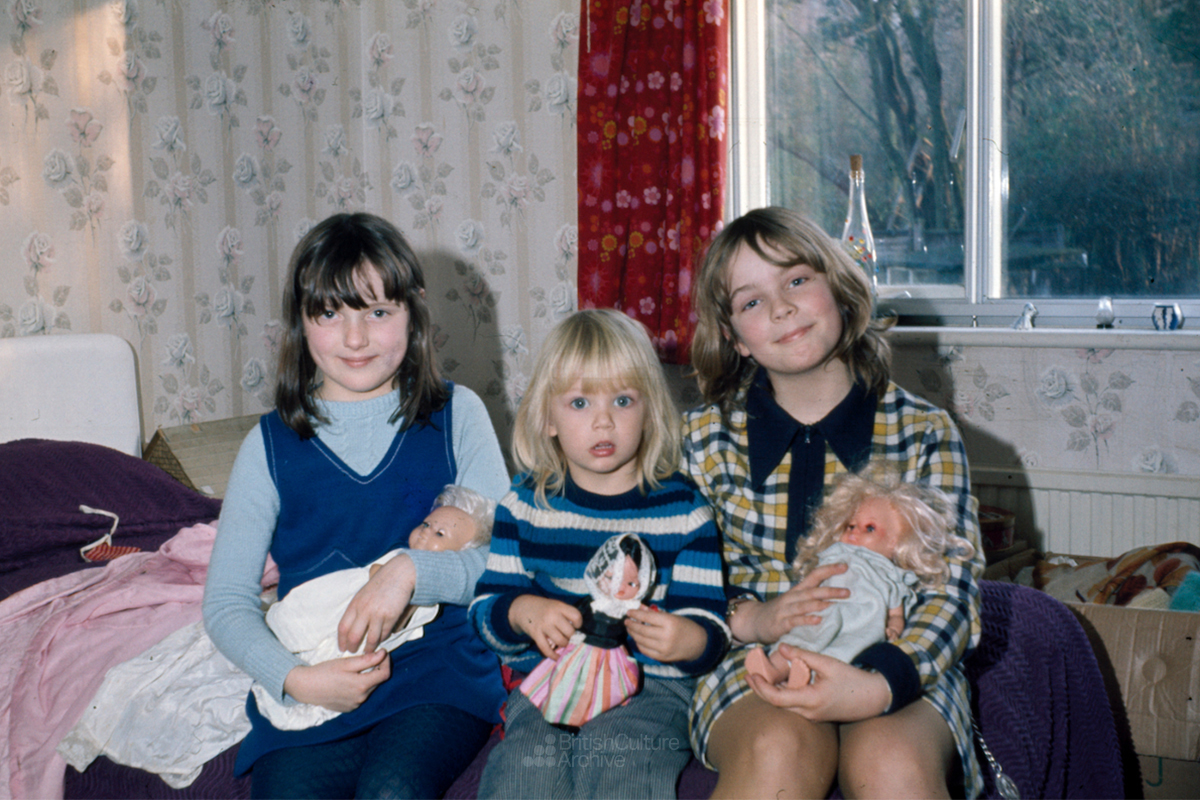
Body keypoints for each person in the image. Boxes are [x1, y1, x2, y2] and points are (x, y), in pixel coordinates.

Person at [202, 212, 512, 799]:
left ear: (413, 312)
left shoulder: (459, 414)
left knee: (392, 790)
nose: (355, 338)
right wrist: (296, 680)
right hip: (317, 673)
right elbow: (225, 604)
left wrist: (410, 571)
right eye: (330, 313)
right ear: (300, 321)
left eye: (377, 312)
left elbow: (506, 562)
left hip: (437, 668)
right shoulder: (266, 447)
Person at [683, 206, 986, 799]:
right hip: (757, 661)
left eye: (797, 280)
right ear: (735, 338)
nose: (781, 308)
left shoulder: (925, 433)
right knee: (778, 748)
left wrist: (882, 682)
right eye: (751, 301)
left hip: (901, 658)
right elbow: (684, 587)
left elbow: (953, 590)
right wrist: (754, 617)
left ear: (840, 289)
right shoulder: (700, 440)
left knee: (893, 762)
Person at [469, 308, 730, 800]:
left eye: (623, 400)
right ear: (548, 417)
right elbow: (486, 609)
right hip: (550, 681)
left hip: (650, 689)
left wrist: (687, 638)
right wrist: (523, 611)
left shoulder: (684, 512)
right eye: (580, 402)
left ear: (650, 411)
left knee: (619, 758)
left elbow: (710, 625)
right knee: (525, 765)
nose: (603, 419)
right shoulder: (524, 505)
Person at [252, 484, 497, 731]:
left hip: (368, 638)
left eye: (440, 534)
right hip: (337, 604)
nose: (425, 533)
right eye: (425, 524)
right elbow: (380, 583)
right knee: (301, 627)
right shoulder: (399, 557)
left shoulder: (437, 595)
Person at [744, 463, 976, 690]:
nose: (854, 532)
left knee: (840, 656)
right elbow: (814, 582)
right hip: (823, 613)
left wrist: (894, 628)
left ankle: (807, 681)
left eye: (869, 528)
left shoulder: (892, 576)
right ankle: (774, 670)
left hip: (859, 627)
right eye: (850, 526)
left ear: (895, 542)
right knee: (798, 640)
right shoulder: (836, 553)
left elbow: (896, 613)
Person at [518, 532, 654, 727]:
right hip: (581, 650)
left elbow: (644, 625)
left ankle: (594, 714)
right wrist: (555, 636)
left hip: (613, 655)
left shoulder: (630, 610)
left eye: (631, 584)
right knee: (567, 682)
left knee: (608, 688)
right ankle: (561, 715)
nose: (620, 589)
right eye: (611, 577)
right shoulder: (591, 604)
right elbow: (571, 619)